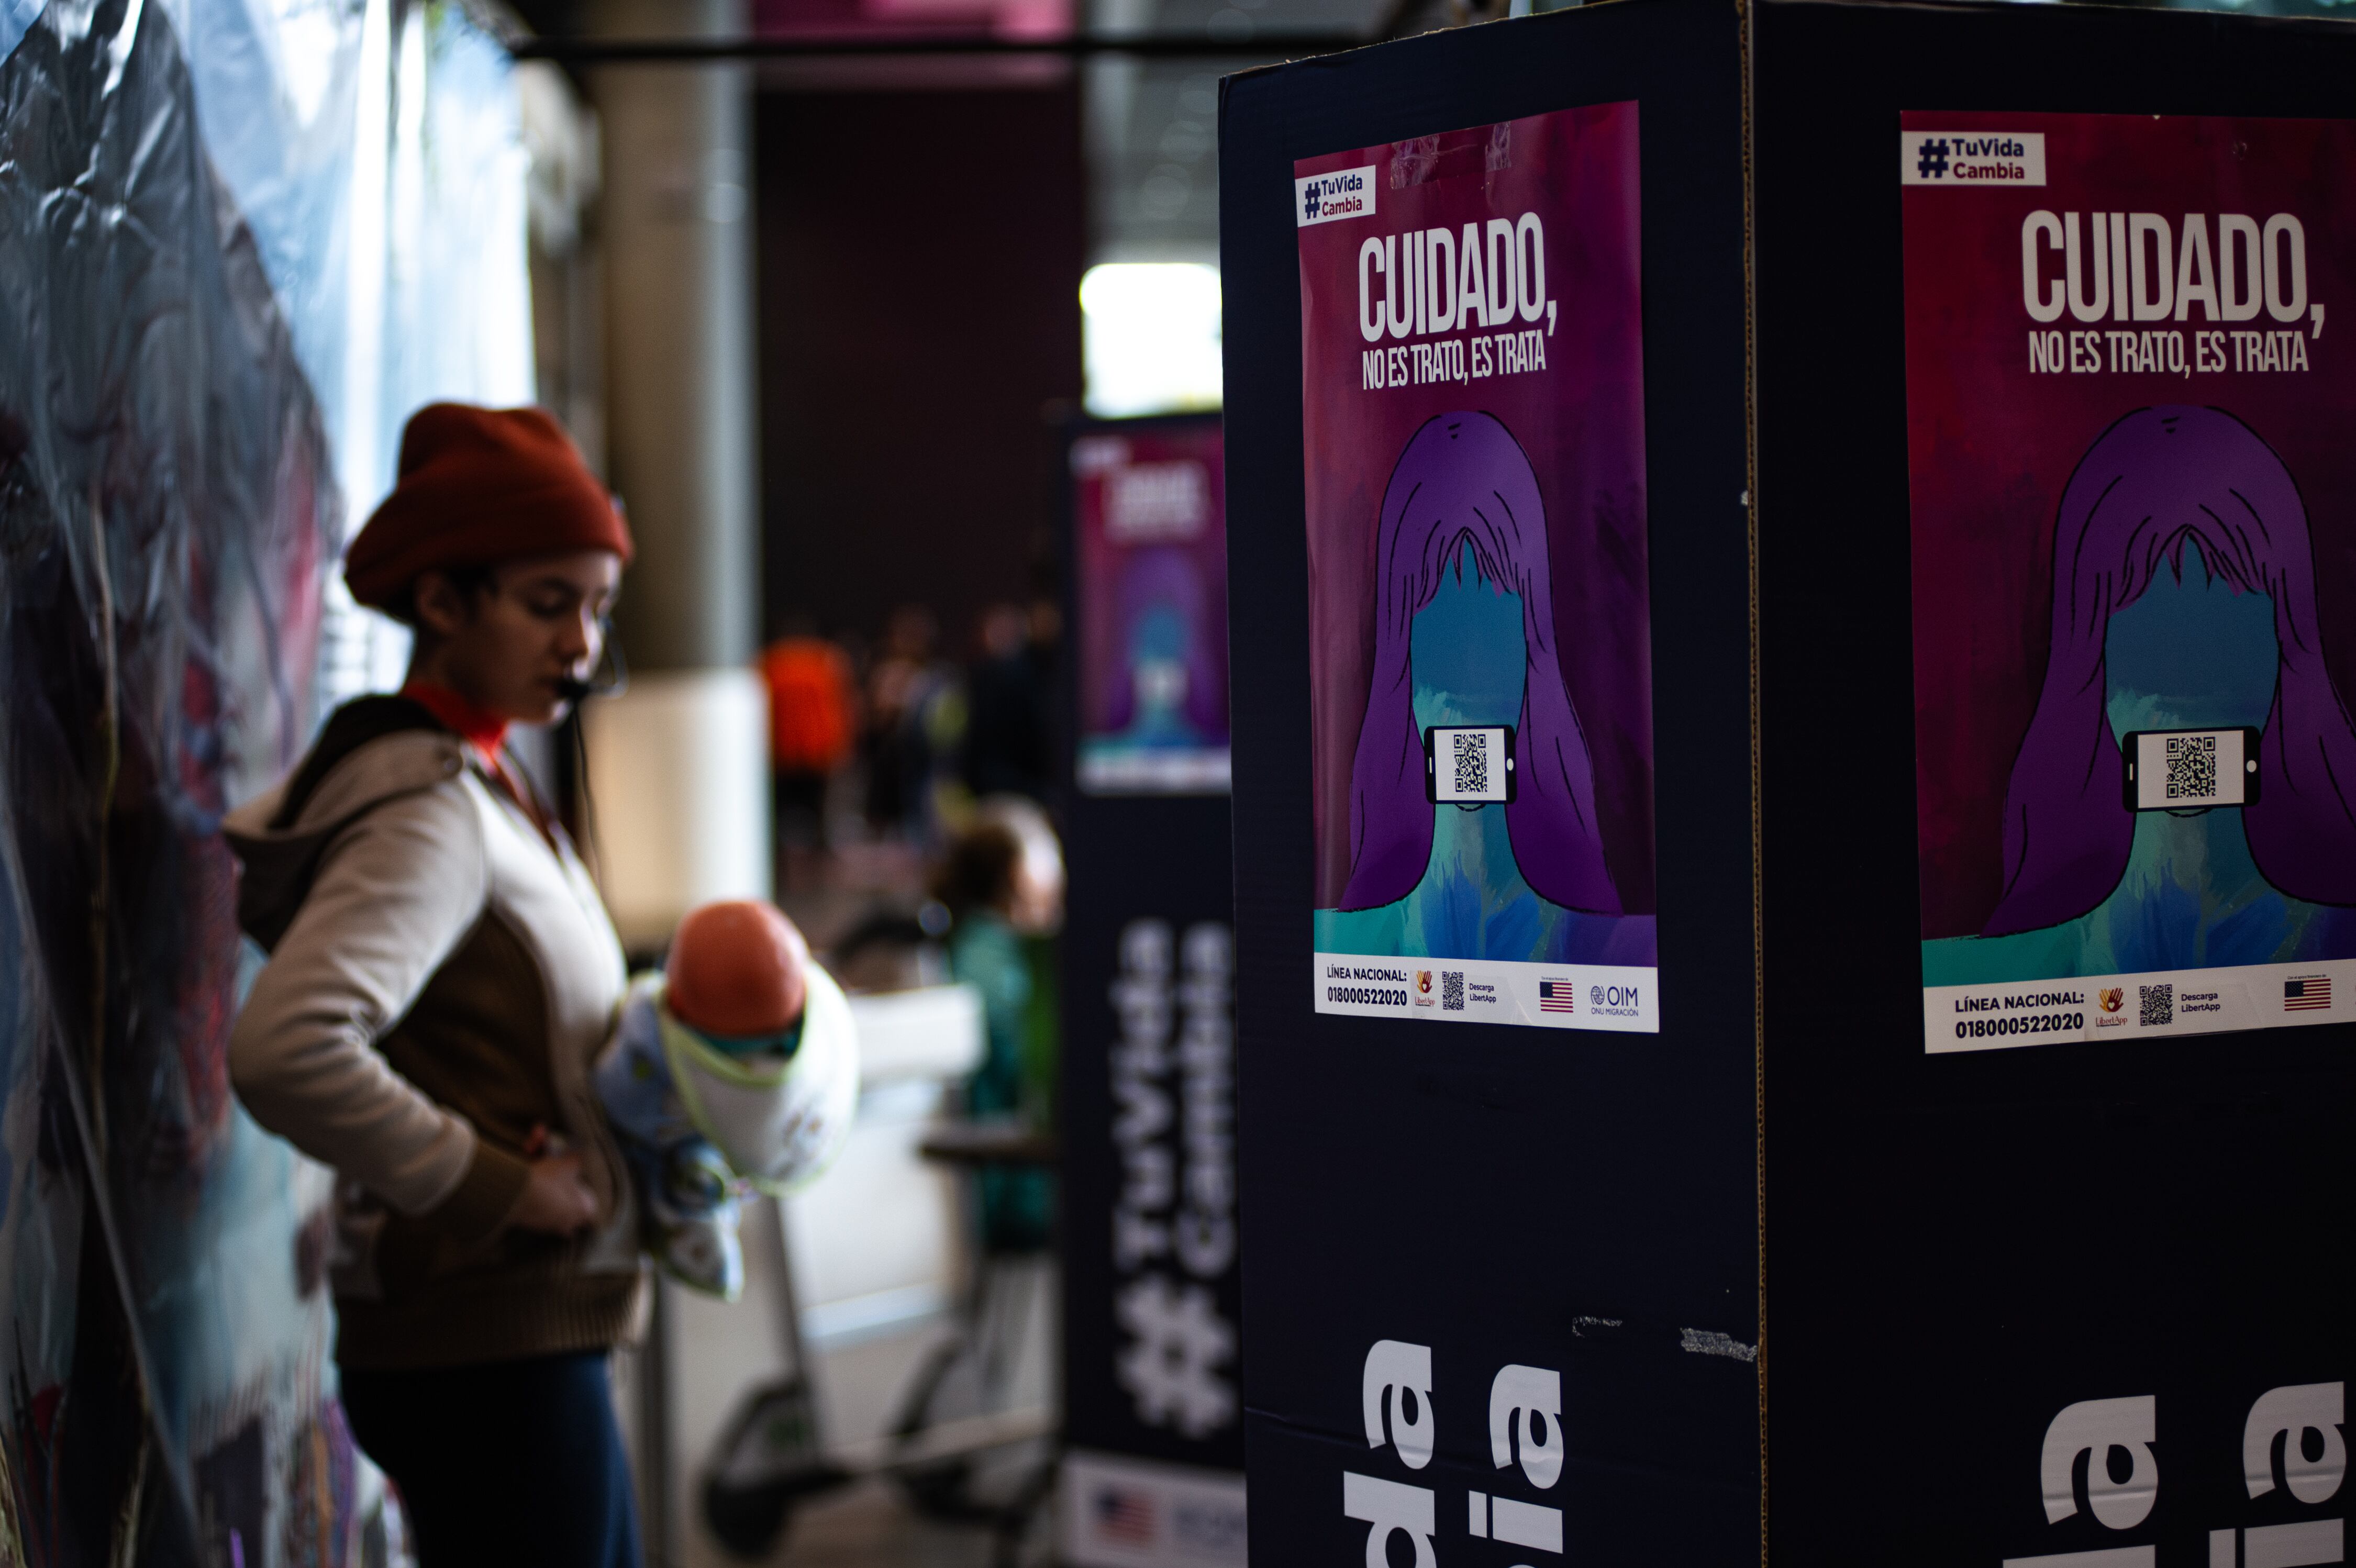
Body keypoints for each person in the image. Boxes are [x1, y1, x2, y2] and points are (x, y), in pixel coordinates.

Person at [225, 404, 641, 1567]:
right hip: (487, 1349)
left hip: (501, 1341)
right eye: (548, 602)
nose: (581, 645)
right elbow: (286, 1048)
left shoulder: (478, 781)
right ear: (444, 604)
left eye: (598, 607)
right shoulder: (429, 811)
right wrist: (500, 1186)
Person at [1315, 412, 1651, 966]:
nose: (1462, 699)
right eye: (1444, 632)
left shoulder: (1624, 954)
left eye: (1492, 631)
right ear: (1403, 651)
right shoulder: (1339, 953)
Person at [594, 899, 858, 1302]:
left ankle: (694, 1218)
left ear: (676, 1003)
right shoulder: (799, 1038)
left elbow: (613, 1092)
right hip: (741, 1138)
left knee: (680, 1169)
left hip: (676, 1141)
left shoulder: (659, 1039)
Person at [931, 800, 1063, 1251]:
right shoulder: (1006, 971)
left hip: (982, 1190)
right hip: (1014, 1192)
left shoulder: (971, 948)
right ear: (1015, 882)